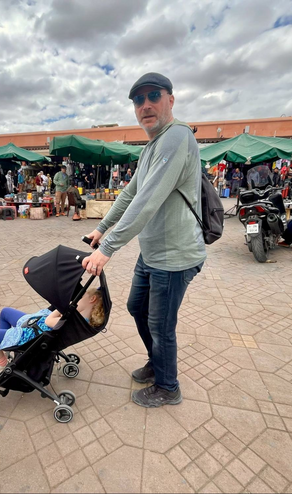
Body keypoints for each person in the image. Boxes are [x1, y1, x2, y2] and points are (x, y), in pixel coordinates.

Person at [82, 72, 205, 408]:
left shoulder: (177, 137)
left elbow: (146, 201)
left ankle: (168, 387)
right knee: (137, 307)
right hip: (152, 253)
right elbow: (130, 193)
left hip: (175, 256)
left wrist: (107, 248)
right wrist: (101, 227)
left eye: (154, 96)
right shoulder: (152, 146)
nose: (146, 105)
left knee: (161, 325)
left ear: (170, 100)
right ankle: (158, 362)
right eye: (139, 100)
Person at [0, 289, 105, 383]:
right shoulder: (81, 319)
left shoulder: (74, 322)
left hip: (29, 336)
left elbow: (49, 321)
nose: (78, 299)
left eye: (81, 296)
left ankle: (0, 363)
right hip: (34, 325)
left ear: (91, 299)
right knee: (5, 312)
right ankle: (3, 350)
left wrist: (63, 308)